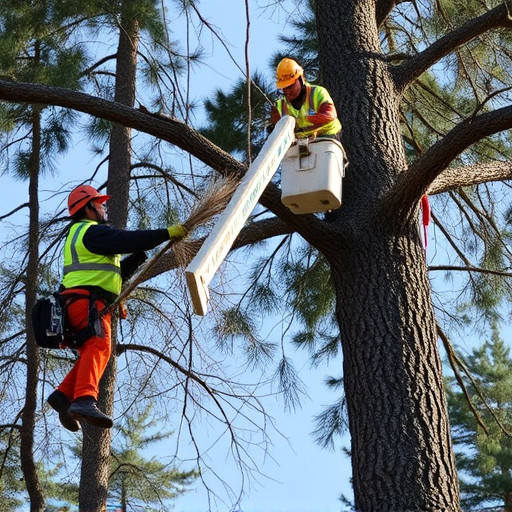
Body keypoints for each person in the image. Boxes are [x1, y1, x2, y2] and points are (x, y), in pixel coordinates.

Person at [46, 184, 188, 431]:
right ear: (89, 207)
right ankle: (84, 399)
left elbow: (112, 276)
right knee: (99, 346)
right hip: (86, 303)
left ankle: (64, 395)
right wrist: (166, 233)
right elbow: (126, 240)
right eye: (99, 203)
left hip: (77, 303)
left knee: (93, 349)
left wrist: (137, 259)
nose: (103, 208)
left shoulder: (82, 236)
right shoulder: (91, 232)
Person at [270, 57, 342, 139]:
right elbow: (278, 133)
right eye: (284, 87)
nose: (287, 91)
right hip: (299, 142)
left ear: (300, 78)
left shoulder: (317, 92)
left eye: (290, 86)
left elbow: (329, 115)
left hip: (327, 135)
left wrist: (303, 120)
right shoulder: (279, 106)